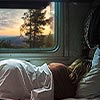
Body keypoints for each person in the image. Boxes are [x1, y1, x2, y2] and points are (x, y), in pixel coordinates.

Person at [0, 58, 90, 100]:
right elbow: (38, 95)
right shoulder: (69, 89)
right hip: (16, 76)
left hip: (15, 65)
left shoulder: (60, 66)